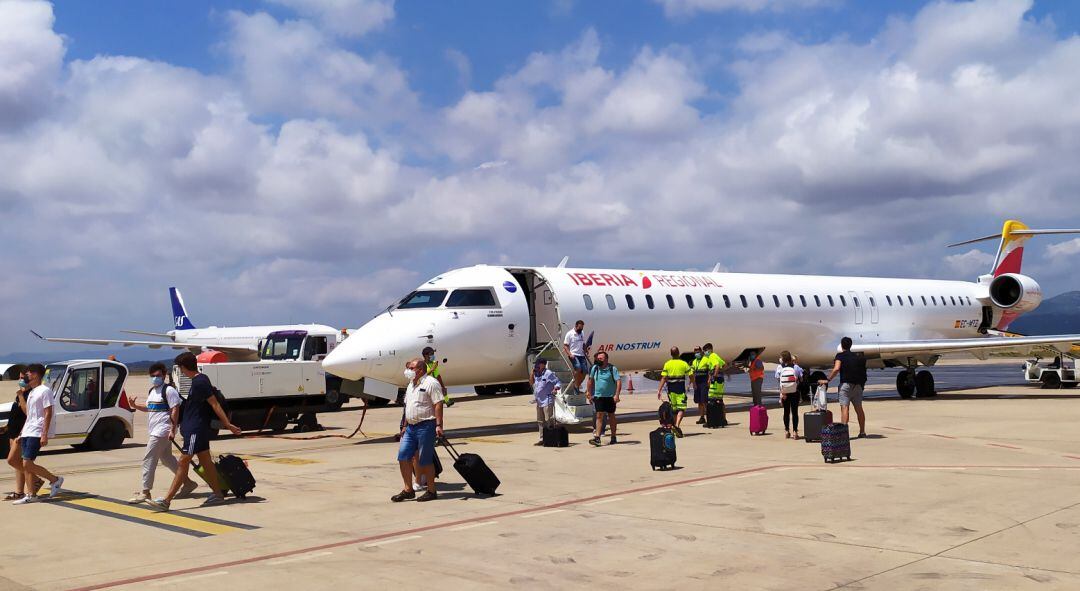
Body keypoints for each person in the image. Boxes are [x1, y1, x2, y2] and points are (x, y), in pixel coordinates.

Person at [148, 353, 241, 511]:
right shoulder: (198, 381)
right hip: (197, 429)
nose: (180, 371)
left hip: (195, 430)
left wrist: (227, 424)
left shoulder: (200, 382)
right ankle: (218, 494)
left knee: (183, 462)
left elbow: (214, 404)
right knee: (206, 462)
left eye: (180, 368)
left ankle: (166, 500)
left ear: (183, 367)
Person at [127, 363, 198, 504]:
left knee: (149, 459)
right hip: (155, 430)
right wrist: (135, 406)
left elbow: (175, 409)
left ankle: (145, 492)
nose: (155, 378)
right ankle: (188, 483)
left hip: (163, 431)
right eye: (152, 376)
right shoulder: (152, 391)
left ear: (164, 375)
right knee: (166, 459)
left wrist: (172, 429)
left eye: (158, 376)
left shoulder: (169, 390)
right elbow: (150, 408)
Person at [392, 358, 444, 502]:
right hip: (410, 427)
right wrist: (404, 425)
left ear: (420, 370)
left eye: (412, 368)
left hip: (426, 425)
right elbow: (408, 406)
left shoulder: (431, 383)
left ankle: (431, 490)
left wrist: (439, 425)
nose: (408, 370)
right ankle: (408, 489)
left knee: (424, 459)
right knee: (403, 456)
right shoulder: (410, 384)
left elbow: (438, 404)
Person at [13, 364, 64, 504]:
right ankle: (32, 495)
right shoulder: (32, 392)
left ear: (35, 375)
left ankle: (55, 480)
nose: (26, 376)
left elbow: (48, 412)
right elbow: (30, 416)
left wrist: (44, 433)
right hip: (28, 430)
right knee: (26, 465)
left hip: (37, 431)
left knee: (27, 463)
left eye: (28, 374)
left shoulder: (45, 390)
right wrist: (22, 433)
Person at [5, 371, 42, 502]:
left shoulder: (30, 394)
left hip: (22, 433)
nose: (21, 379)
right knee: (18, 464)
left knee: (13, 460)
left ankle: (36, 480)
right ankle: (19, 491)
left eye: (23, 377)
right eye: (19, 377)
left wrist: (21, 395)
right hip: (13, 432)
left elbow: (28, 414)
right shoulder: (21, 393)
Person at [821, 336, 868, 438]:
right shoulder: (857, 357)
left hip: (846, 385)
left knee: (845, 408)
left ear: (842, 346)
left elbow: (836, 369)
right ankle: (862, 431)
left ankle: (844, 433)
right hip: (858, 386)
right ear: (851, 345)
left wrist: (827, 379)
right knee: (859, 408)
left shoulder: (840, 356)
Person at [586, 351, 621, 446]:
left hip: (610, 397)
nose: (598, 360)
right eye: (597, 359)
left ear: (606, 359)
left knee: (611, 415)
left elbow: (618, 382)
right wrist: (588, 392)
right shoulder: (595, 368)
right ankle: (597, 437)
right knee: (599, 415)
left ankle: (613, 436)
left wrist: (617, 395)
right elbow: (590, 380)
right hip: (599, 396)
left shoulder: (612, 368)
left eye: (601, 359)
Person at [657, 347, 692, 437]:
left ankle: (674, 426)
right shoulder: (683, 363)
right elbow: (691, 374)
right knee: (682, 409)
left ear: (671, 354)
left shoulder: (667, 364)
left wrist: (659, 390)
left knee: (674, 410)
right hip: (680, 389)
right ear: (678, 353)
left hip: (671, 390)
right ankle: (676, 425)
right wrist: (692, 383)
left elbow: (664, 378)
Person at [528, 358, 561, 445]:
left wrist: (555, 388)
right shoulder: (536, 374)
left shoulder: (548, 373)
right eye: (536, 364)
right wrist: (532, 373)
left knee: (548, 419)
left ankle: (551, 438)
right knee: (540, 420)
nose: (537, 365)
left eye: (539, 364)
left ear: (543, 364)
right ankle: (542, 438)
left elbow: (558, 382)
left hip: (547, 400)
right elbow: (531, 383)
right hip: (539, 401)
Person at [775, 351, 804, 440]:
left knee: (786, 412)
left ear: (782, 359)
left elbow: (777, 378)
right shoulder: (796, 367)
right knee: (794, 412)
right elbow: (801, 379)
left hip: (785, 393)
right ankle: (795, 432)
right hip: (795, 392)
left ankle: (787, 431)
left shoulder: (780, 367)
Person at [563, 320, 590, 392]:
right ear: (576, 326)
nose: (581, 329)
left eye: (582, 328)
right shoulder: (570, 334)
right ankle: (576, 385)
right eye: (579, 328)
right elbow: (565, 346)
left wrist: (586, 350)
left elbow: (583, 343)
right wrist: (570, 354)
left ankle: (577, 385)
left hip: (581, 355)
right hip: (573, 355)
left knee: (584, 371)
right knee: (578, 368)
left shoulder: (582, 333)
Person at [704, 343, 727, 413]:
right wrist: (720, 371)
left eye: (705, 350)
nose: (705, 353)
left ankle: (713, 417)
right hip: (720, 380)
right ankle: (722, 418)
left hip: (716, 381)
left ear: (710, 350)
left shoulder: (712, 356)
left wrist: (714, 376)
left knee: (711, 398)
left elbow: (717, 366)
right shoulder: (716, 355)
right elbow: (724, 364)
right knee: (719, 399)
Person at [690, 346, 711, 424]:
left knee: (704, 400)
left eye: (698, 351)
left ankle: (709, 417)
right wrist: (692, 383)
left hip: (704, 382)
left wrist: (709, 380)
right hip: (697, 382)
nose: (696, 353)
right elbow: (692, 373)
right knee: (699, 401)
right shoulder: (694, 361)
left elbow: (709, 370)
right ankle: (702, 417)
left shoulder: (706, 359)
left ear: (701, 351)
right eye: (695, 352)